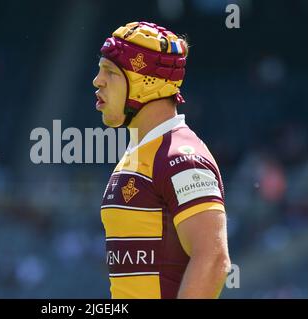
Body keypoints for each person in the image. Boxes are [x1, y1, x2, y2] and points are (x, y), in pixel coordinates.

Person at [93, 21, 231, 299]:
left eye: (110, 72)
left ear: (146, 83)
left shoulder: (180, 157)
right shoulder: (141, 152)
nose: (98, 81)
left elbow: (214, 259)